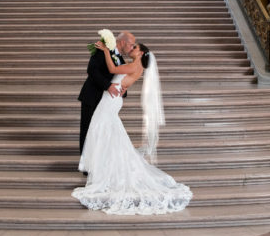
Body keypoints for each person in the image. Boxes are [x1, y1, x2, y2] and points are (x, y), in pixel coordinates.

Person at [73, 41, 192, 215]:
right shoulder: (135, 65)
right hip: (111, 98)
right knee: (105, 131)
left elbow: (113, 70)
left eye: (135, 48)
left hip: (111, 100)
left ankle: (102, 166)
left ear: (142, 53)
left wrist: (106, 50)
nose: (131, 49)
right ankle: (102, 164)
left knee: (101, 129)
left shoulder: (135, 65)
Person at [78, 31, 136, 168]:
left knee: (101, 132)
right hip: (92, 97)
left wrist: (123, 90)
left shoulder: (120, 59)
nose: (132, 48)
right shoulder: (102, 49)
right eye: (131, 45)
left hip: (106, 102)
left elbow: (118, 78)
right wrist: (108, 86)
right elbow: (92, 70)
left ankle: (99, 164)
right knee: (88, 131)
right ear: (122, 42)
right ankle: (87, 166)